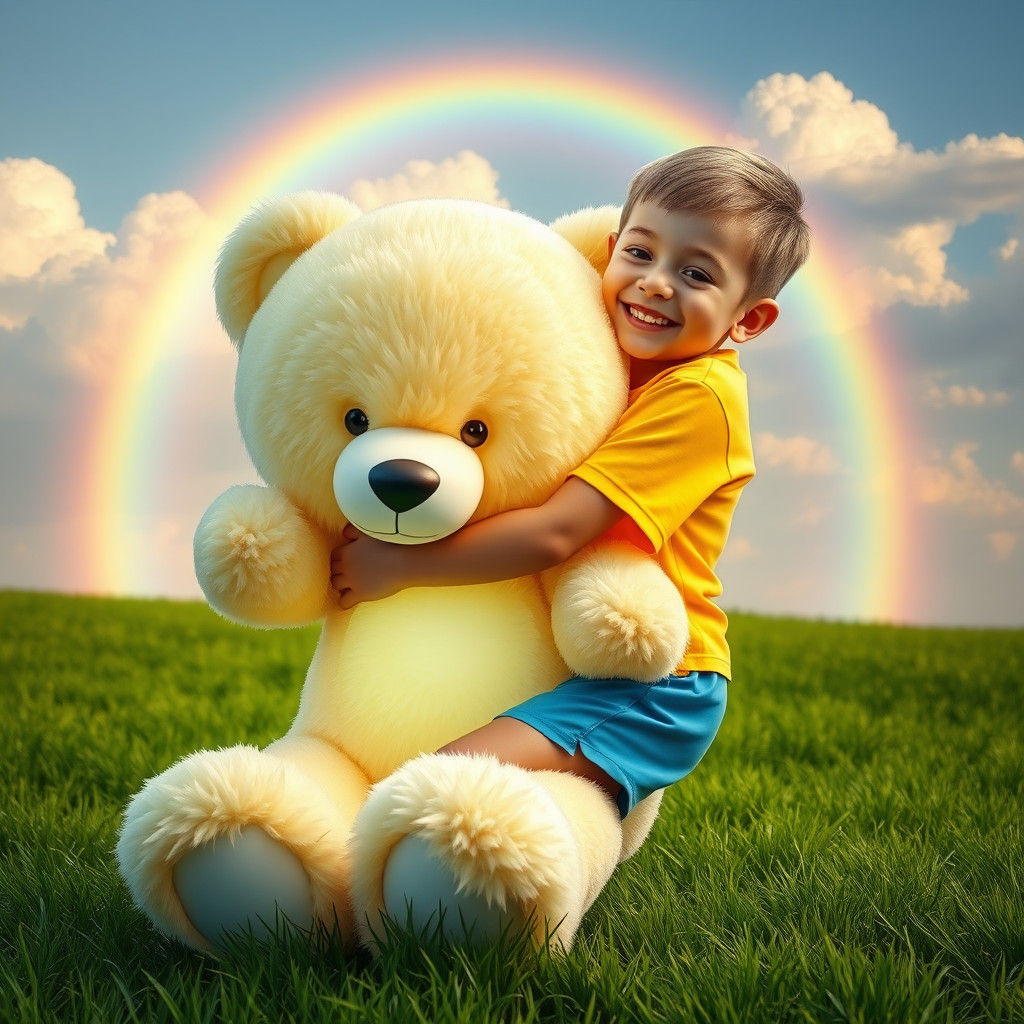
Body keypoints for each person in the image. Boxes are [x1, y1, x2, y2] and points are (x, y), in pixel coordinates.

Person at [329, 146, 810, 818]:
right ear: (609, 251)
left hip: (654, 684)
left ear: (748, 318)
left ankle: (364, 916)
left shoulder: (700, 398)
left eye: (696, 272)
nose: (656, 283)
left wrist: (398, 563)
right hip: (580, 647)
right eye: (641, 253)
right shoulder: (601, 359)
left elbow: (556, 532)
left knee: (436, 785)